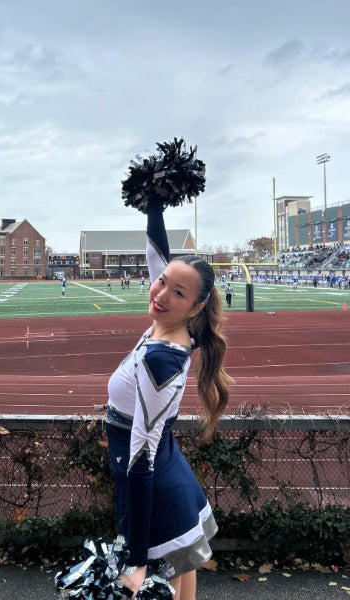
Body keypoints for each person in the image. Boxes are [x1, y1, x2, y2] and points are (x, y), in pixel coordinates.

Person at [105, 196, 232, 600]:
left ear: (194, 307)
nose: (160, 292)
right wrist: (154, 202)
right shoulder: (170, 323)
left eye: (177, 292)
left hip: (153, 488)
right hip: (166, 474)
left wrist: (136, 558)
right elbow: (158, 255)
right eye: (161, 281)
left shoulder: (162, 360)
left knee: (162, 587)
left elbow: (140, 461)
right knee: (183, 584)